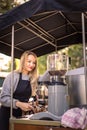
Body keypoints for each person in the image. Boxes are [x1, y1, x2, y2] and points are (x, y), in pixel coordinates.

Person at [0, 51, 38, 130]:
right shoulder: (12, 76)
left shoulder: (32, 78)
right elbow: (3, 98)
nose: (32, 65)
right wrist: (19, 104)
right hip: (6, 115)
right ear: (23, 61)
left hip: (20, 116)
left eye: (34, 63)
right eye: (29, 61)